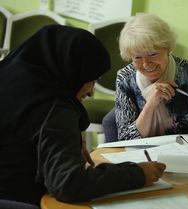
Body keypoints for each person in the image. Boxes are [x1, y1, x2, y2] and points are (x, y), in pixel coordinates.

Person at [0, 25, 166, 207]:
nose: (91, 92)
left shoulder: (12, 75)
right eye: (92, 80)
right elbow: (68, 184)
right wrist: (138, 174)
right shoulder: (53, 105)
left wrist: (67, 138)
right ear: (73, 70)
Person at [103, 13, 188, 141]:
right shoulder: (125, 79)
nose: (146, 64)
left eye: (152, 54)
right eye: (137, 57)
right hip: (144, 155)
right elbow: (126, 139)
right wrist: (151, 103)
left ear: (168, 49)